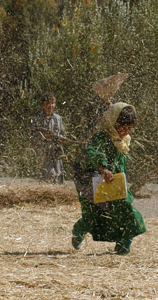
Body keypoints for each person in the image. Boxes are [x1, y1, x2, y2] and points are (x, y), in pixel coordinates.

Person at [71, 102, 146, 254]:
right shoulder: (102, 137)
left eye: (129, 128)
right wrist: (103, 167)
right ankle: (78, 232)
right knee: (92, 217)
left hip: (114, 184)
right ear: (112, 123)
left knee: (126, 210)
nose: (125, 132)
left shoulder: (123, 142)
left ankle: (123, 245)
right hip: (93, 183)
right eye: (122, 128)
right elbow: (93, 153)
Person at [31, 92, 66, 184]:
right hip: (44, 152)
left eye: (53, 103)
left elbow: (62, 133)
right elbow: (34, 136)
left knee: (59, 173)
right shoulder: (37, 119)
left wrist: (61, 139)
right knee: (49, 173)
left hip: (57, 151)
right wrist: (44, 138)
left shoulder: (58, 118)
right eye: (48, 104)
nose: (51, 106)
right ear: (43, 105)